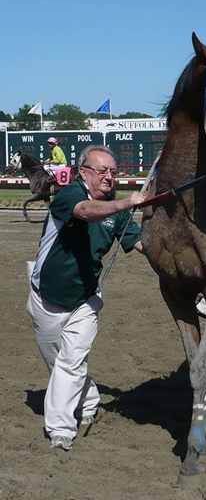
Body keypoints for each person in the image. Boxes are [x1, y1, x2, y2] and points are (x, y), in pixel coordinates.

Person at [27, 144, 145, 451]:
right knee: (61, 366)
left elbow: (143, 244)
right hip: (46, 298)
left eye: (113, 172)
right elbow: (86, 213)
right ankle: (90, 397)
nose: (109, 177)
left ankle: (61, 430)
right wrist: (124, 204)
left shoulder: (117, 214)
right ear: (83, 173)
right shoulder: (69, 195)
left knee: (70, 363)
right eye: (102, 171)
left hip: (85, 302)